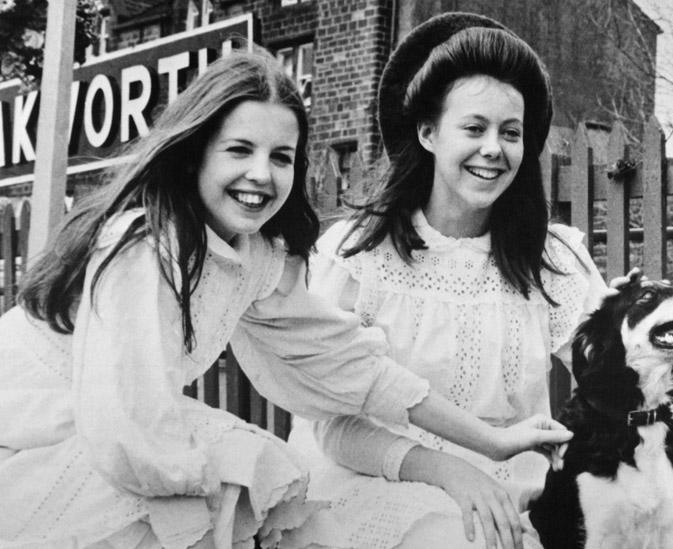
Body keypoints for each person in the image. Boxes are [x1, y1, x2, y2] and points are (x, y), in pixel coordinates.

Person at [0, 48, 572, 548]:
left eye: (280, 158)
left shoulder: (255, 259)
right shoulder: (145, 248)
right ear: (196, 150)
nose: (260, 175)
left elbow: (348, 366)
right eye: (239, 150)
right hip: (40, 423)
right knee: (216, 488)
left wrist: (491, 441)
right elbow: (127, 420)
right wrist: (198, 512)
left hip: (117, 428)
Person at [284, 12, 607, 549]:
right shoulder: (357, 255)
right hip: (376, 482)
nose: (493, 150)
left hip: (515, 496)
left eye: (510, 133)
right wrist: (453, 474)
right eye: (474, 128)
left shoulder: (552, 259)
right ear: (428, 132)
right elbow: (329, 423)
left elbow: (620, 366)